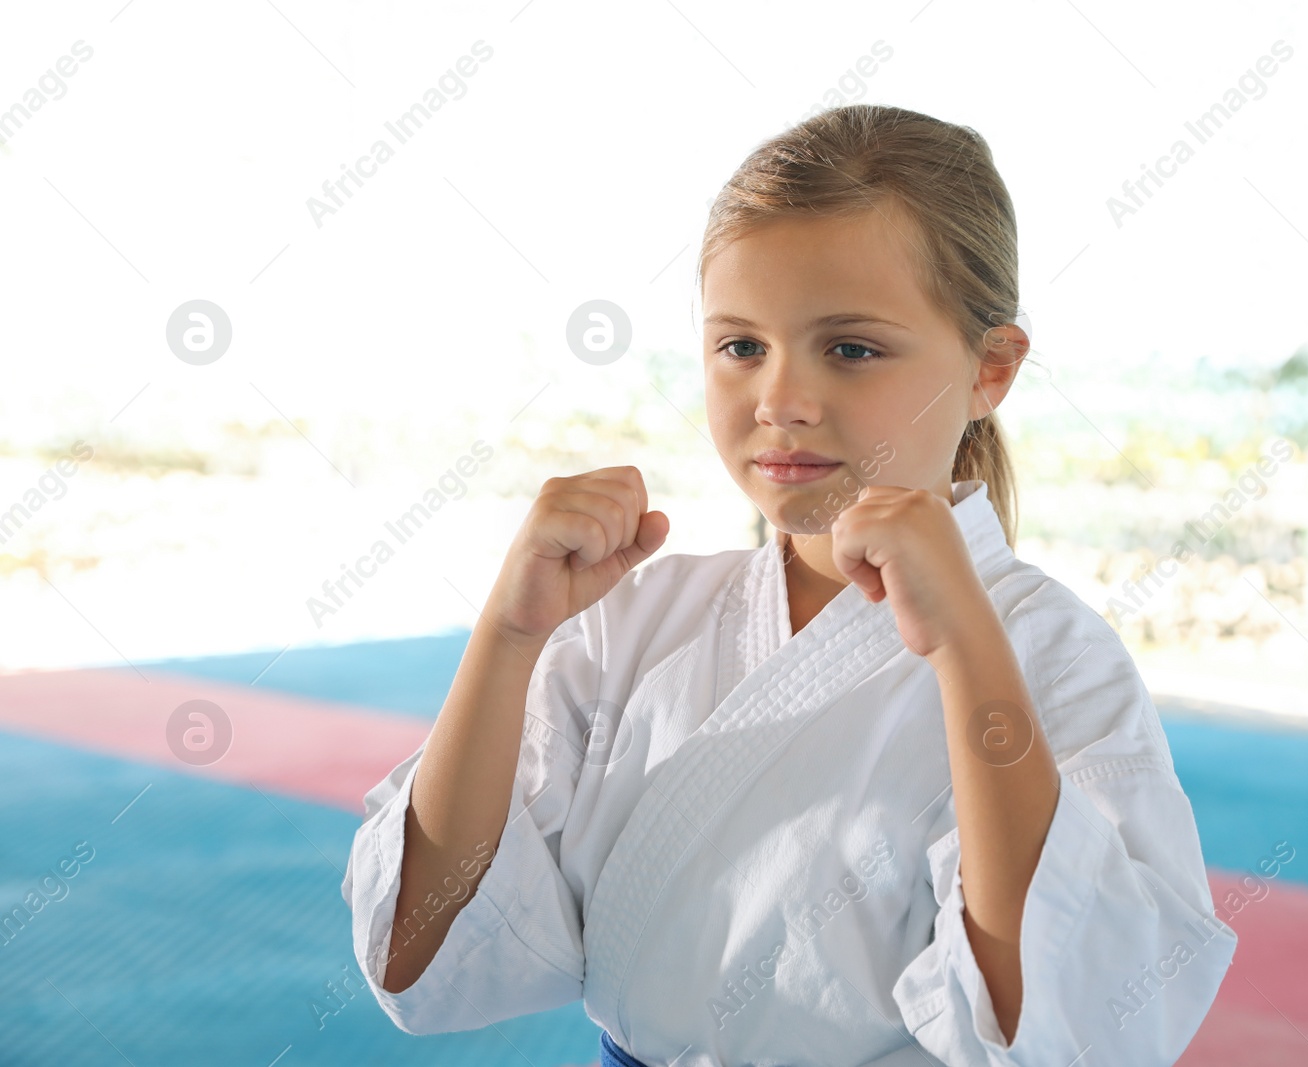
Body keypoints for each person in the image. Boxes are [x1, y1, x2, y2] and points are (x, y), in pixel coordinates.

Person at [342, 103, 1235, 1066]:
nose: (781, 401)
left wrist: (970, 650)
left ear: (992, 368)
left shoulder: (1052, 657)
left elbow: (1076, 1026)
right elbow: (420, 956)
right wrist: (509, 639)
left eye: (850, 348)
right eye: (740, 347)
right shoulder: (634, 619)